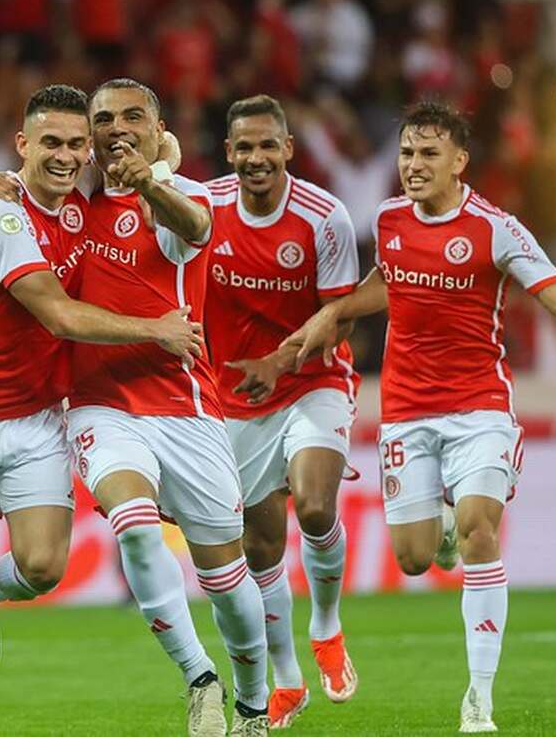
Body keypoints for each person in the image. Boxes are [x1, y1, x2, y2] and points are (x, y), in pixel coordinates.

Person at [263, 101, 556, 733]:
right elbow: (383, 286)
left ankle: (478, 698)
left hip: (480, 409)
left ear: (458, 162)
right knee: (418, 558)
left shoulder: (495, 228)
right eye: (406, 154)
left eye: (427, 155)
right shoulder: (389, 219)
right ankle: (441, 528)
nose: (413, 166)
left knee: (481, 529)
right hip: (406, 413)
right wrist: (329, 317)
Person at [0, 85, 204, 737]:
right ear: (22, 145)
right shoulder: (2, 217)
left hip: (40, 418)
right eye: (52, 143)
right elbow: (58, 313)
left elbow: (160, 149)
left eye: (78, 144)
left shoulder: (79, 204)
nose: (68, 155)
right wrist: (154, 329)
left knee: (43, 567)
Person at [67, 78, 270, 737]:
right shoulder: (77, 199)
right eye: (104, 119)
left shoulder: (187, 194)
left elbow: (198, 227)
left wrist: (153, 181)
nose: (116, 127)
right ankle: (199, 678)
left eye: (132, 117)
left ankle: (254, 700)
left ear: (159, 130)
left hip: (185, 407)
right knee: (131, 522)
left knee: (227, 581)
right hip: (102, 405)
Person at [202, 95, 360, 729]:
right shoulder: (203, 208)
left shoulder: (325, 218)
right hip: (234, 399)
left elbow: (340, 314)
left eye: (269, 145)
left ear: (289, 149)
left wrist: (281, 360)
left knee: (316, 505)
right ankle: (287, 680)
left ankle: (327, 626)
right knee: (260, 548)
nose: (256, 158)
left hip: (313, 380)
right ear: (229, 153)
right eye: (245, 147)